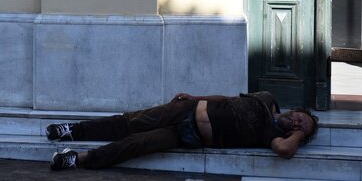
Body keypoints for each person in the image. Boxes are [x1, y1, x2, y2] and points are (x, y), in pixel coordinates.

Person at [46, 91, 319, 171]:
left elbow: (285, 151)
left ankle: (77, 159)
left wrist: (297, 136)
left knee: (137, 143)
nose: (296, 124)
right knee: (130, 121)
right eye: (299, 119)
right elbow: (225, 97)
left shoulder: (271, 137)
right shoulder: (267, 98)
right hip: (187, 109)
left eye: (300, 128)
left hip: (189, 136)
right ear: (297, 110)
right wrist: (194, 96)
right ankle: (71, 130)